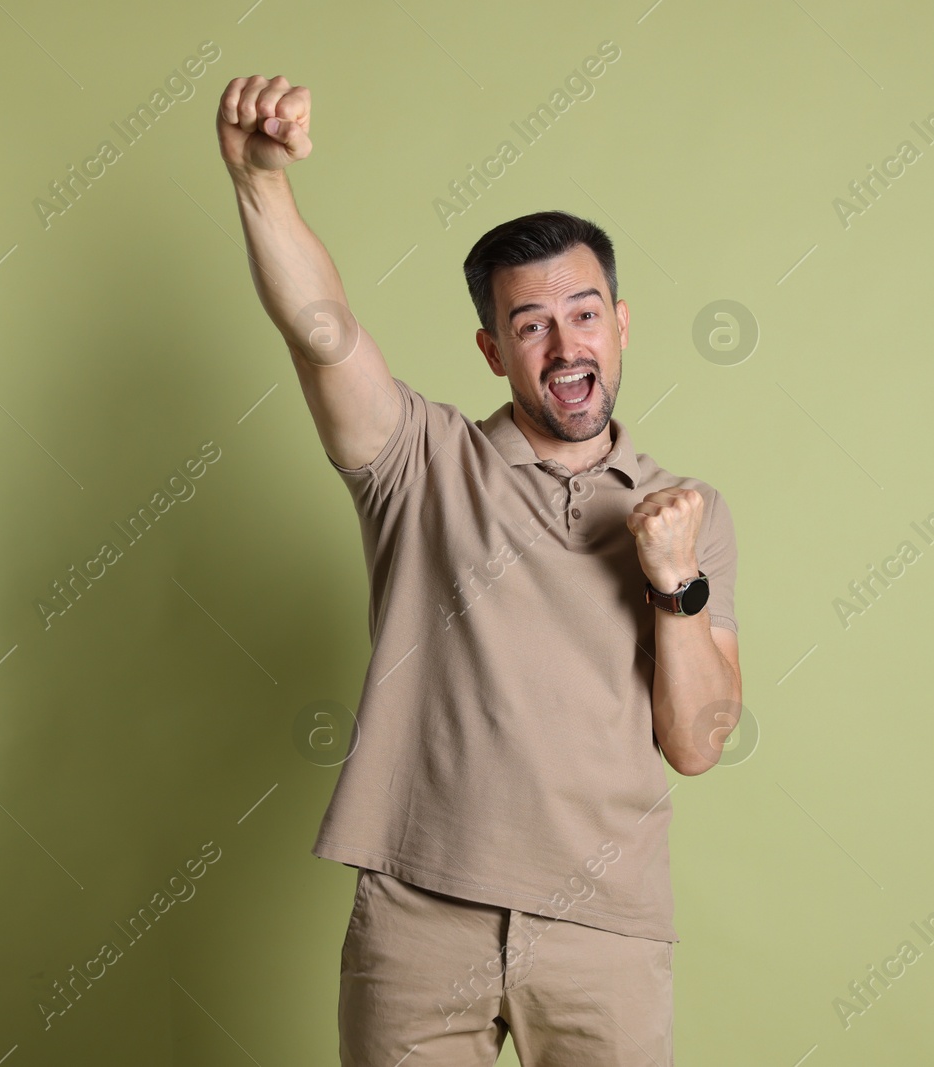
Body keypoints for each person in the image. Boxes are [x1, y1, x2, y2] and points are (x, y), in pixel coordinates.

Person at [217, 73, 743, 1067]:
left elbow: (698, 740)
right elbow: (321, 329)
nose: (564, 341)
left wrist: (675, 582)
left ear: (621, 325)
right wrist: (259, 185)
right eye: (532, 323)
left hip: (606, 927)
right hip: (420, 913)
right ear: (492, 347)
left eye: (584, 313)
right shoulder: (420, 461)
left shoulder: (684, 510)